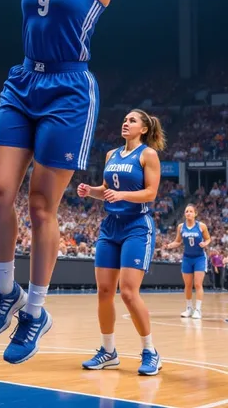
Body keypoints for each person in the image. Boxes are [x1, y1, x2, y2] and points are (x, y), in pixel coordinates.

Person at [0, 0, 147, 364]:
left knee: (39, 205)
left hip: (69, 91)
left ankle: (34, 311)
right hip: (22, 82)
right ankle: (5, 290)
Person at [78, 110, 164, 376]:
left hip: (137, 227)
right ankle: (108, 351)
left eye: (132, 121)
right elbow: (107, 190)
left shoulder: (148, 155)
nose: (126, 123)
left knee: (127, 292)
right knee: (104, 291)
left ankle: (150, 351)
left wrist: (121, 194)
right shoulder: (111, 155)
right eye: (124, 119)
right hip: (110, 227)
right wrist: (91, 191)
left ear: (144, 129)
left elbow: (151, 193)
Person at [166, 204, 211, 319]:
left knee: (197, 284)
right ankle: (189, 308)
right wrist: (170, 245)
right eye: (187, 211)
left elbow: (208, 238)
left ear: (195, 213)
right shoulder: (181, 227)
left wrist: (205, 243)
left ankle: (198, 310)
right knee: (188, 285)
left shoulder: (201, 226)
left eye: (191, 211)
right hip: (187, 258)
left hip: (199, 258)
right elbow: (178, 241)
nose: (188, 213)